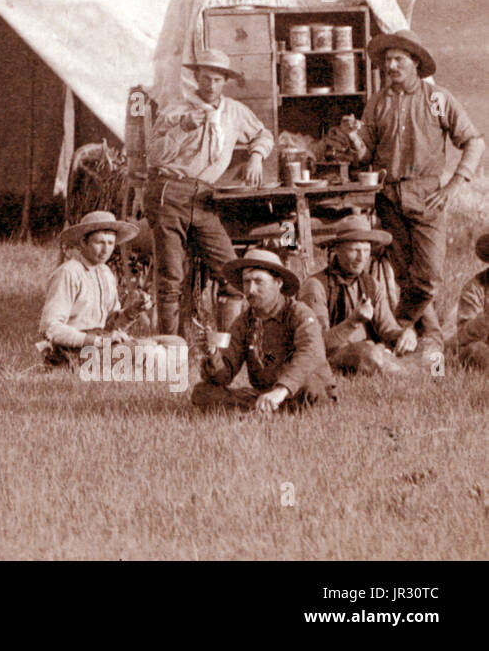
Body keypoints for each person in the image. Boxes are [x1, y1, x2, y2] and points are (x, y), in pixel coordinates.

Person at [335, 29, 483, 344]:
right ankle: (429, 334)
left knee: (428, 277)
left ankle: (397, 327)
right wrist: (352, 137)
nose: (391, 66)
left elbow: (473, 142)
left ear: (415, 62)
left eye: (399, 59)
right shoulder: (377, 102)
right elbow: (365, 153)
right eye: (387, 60)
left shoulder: (438, 100)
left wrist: (456, 184)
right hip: (388, 198)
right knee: (404, 276)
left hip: (428, 197)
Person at [146, 48, 273, 336]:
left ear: (224, 80)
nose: (210, 86)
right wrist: (181, 129)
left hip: (204, 198)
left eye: (217, 80)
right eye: (205, 79)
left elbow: (263, 134)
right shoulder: (176, 110)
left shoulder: (235, 111)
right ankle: (171, 346)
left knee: (231, 272)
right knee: (171, 276)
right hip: (170, 192)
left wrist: (256, 156)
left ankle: (227, 346)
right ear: (196, 78)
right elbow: (153, 156)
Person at [192, 248, 337, 412]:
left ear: (278, 283)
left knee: (312, 385)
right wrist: (212, 353)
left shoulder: (299, 314)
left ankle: (266, 408)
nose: (251, 289)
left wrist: (281, 390)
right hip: (266, 394)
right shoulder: (244, 322)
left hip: (304, 390)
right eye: (246, 282)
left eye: (258, 281)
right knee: (202, 392)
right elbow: (225, 375)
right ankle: (268, 409)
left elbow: (310, 354)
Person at [37, 210, 186, 367]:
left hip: (102, 343)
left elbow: (111, 325)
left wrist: (133, 310)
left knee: (178, 344)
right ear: (83, 242)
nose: (105, 249)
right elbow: (50, 328)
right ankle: (150, 364)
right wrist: (98, 341)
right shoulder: (69, 272)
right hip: (74, 351)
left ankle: (150, 363)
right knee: (149, 351)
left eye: (110, 243)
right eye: (99, 242)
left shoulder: (105, 273)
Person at [298, 215, 411, 375]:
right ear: (337, 250)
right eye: (354, 250)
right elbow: (317, 344)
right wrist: (353, 322)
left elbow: (388, 328)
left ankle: (399, 368)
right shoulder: (316, 286)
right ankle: (399, 370)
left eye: (366, 251)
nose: (361, 258)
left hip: (369, 351)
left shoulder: (371, 284)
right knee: (369, 353)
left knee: (428, 351)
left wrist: (404, 335)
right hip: (330, 359)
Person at [452, 233, 489, 370]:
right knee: (475, 351)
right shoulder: (476, 287)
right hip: (483, 346)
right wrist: (485, 318)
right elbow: (462, 336)